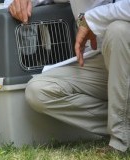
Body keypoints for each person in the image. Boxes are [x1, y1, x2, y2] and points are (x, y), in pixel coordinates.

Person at [8, 0, 130, 152]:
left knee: (118, 30)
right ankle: (123, 123)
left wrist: (91, 19)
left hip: (125, 52)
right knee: (38, 91)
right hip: (96, 59)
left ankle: (120, 141)